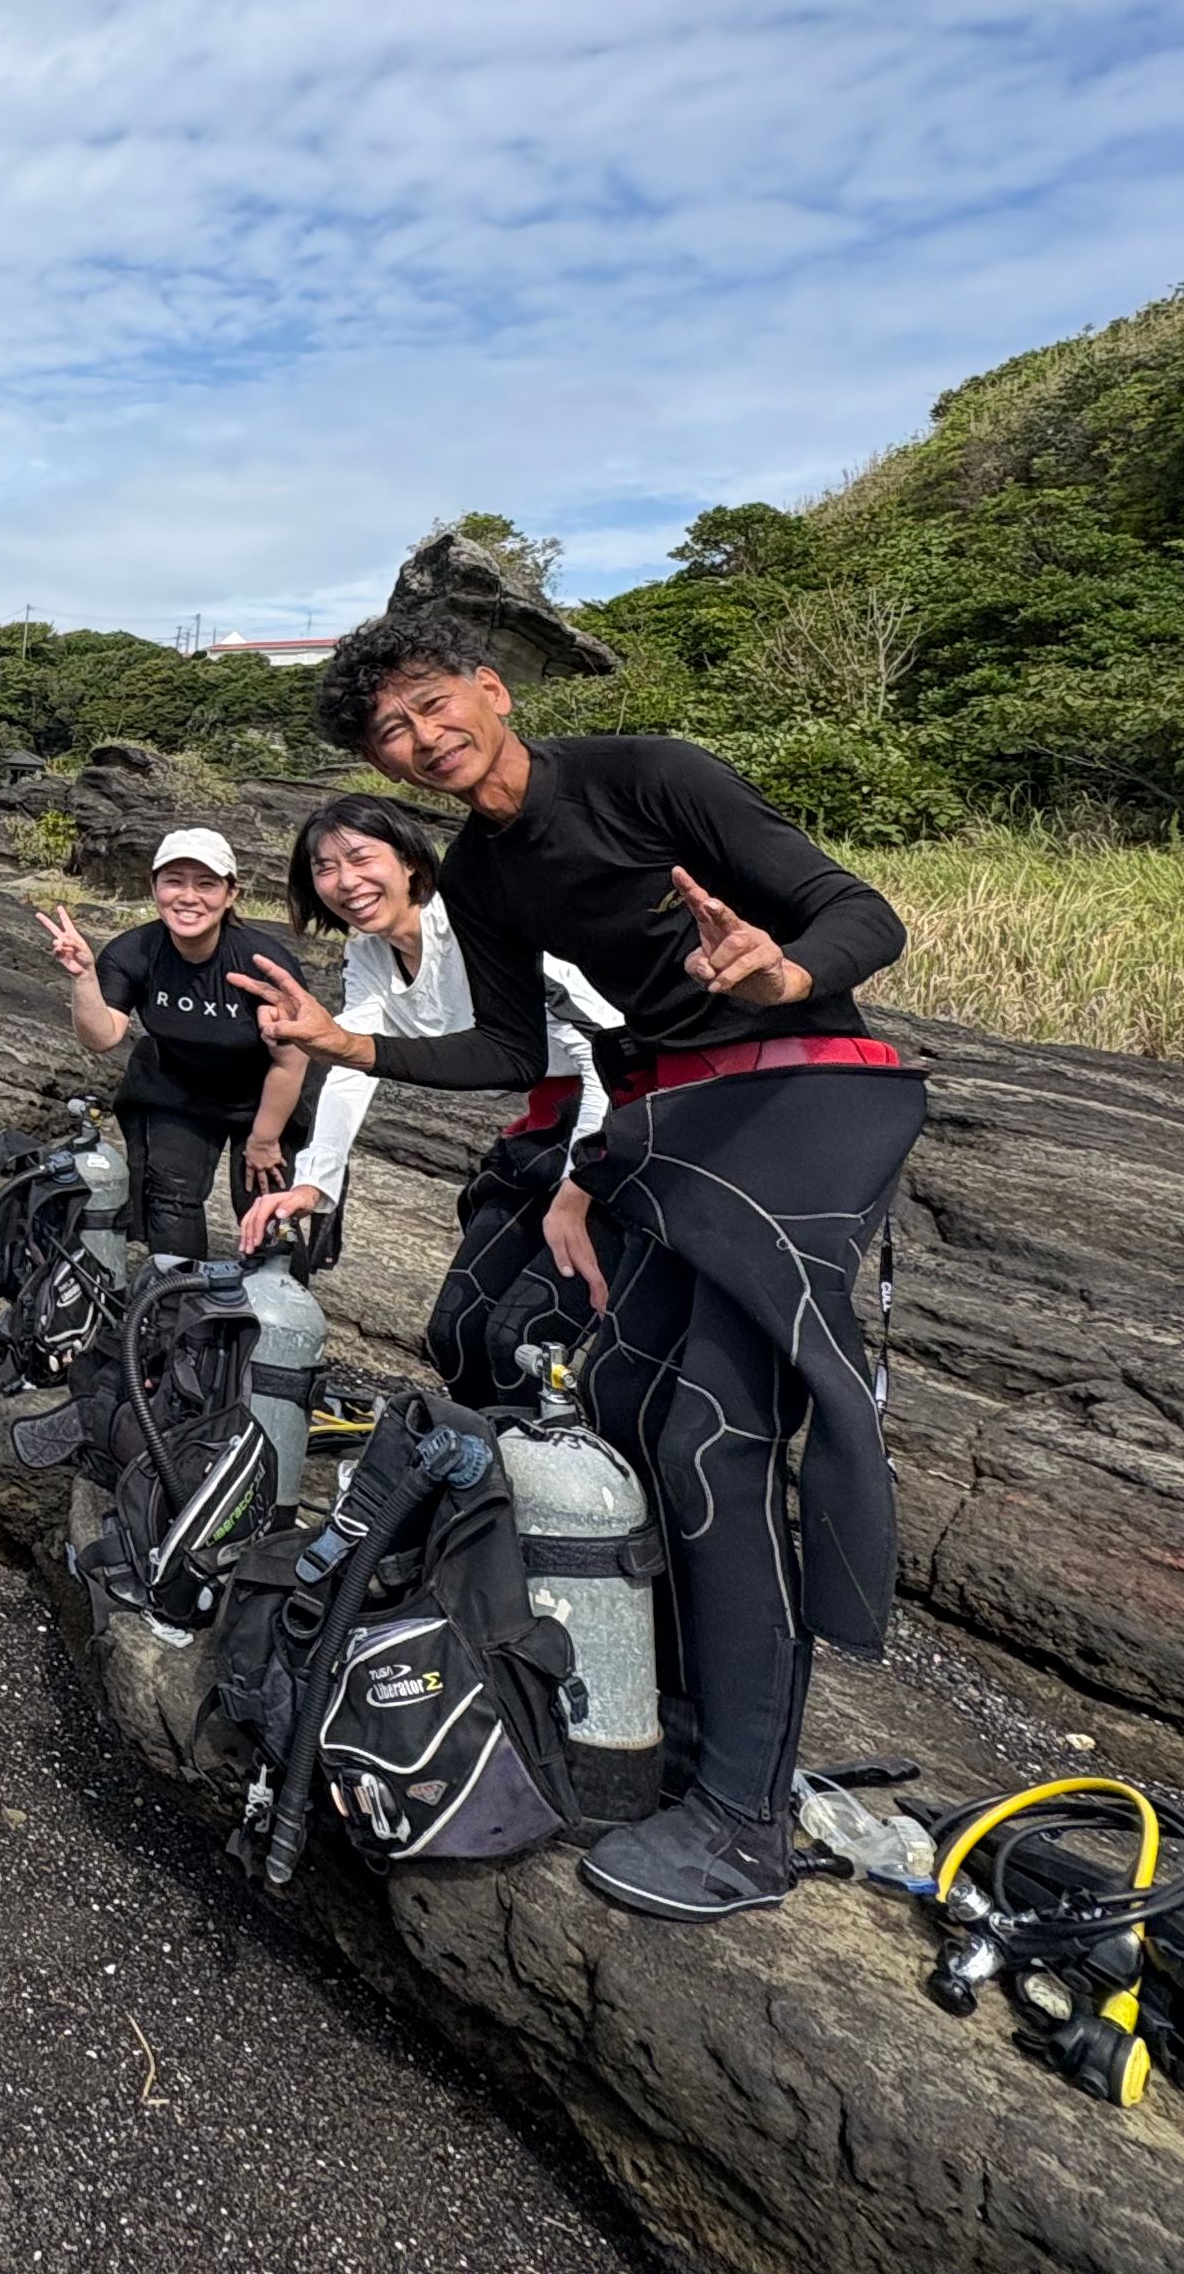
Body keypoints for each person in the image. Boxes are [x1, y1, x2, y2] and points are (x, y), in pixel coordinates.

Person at [237, 608, 923, 1922]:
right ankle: (675, 1721)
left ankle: (743, 1819)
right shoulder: (486, 878)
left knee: (713, 1442)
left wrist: (783, 973)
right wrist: (343, 1042)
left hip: (802, 1102)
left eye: (437, 704)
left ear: (492, 689)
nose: (424, 737)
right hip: (675, 1125)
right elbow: (507, 1045)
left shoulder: (646, 778)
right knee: (628, 1418)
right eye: (393, 731)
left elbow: (860, 910)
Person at [236, 793, 628, 1408]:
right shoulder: (367, 953)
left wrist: (579, 1192)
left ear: (411, 862)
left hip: (623, 1125)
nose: (345, 881)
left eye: (361, 858)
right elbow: (351, 1060)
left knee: (519, 1341)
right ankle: (481, 1479)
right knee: (453, 1335)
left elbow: (610, 1051)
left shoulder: (486, 924)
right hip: (545, 1127)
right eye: (324, 867)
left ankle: (564, 1484)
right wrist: (315, 1184)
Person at [40, 828, 315, 1264]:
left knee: (266, 1205)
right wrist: (84, 978)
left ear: (230, 894)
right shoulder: (134, 952)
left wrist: (264, 1139)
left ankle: (271, 1310)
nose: (189, 896)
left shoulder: (262, 962)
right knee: (169, 1197)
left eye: (206, 884)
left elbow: (292, 1058)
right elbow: (103, 1036)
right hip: (182, 1088)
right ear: (154, 888)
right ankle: (177, 1300)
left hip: (265, 1090)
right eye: (174, 881)